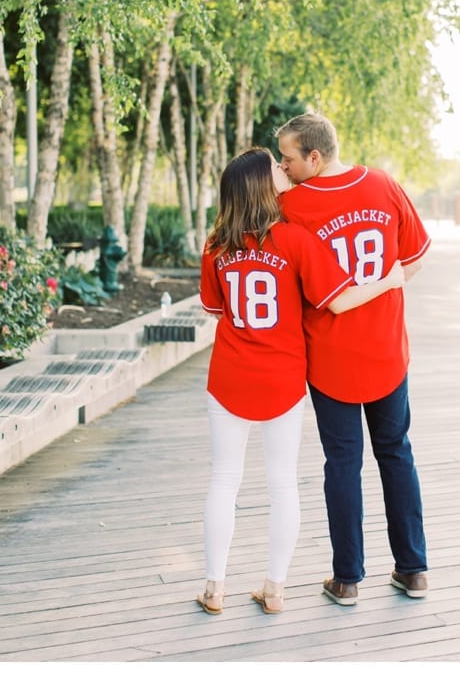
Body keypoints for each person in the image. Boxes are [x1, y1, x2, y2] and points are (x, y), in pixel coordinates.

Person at [195, 147, 405, 616]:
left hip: (228, 375)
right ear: (263, 185)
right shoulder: (294, 240)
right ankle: (275, 589)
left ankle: (214, 588)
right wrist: (390, 280)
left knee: (224, 480)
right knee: (282, 483)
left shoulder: (215, 247)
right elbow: (339, 301)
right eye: (275, 166)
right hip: (283, 378)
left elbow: (216, 310)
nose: (282, 169)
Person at [275, 112, 433, 606]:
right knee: (396, 453)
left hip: (330, 357)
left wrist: (277, 187)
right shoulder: (384, 184)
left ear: (314, 156)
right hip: (386, 350)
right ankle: (412, 570)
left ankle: (347, 580)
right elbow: (415, 259)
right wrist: (383, 284)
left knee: (342, 462)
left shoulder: (293, 205)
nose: (284, 166)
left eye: (289, 158)